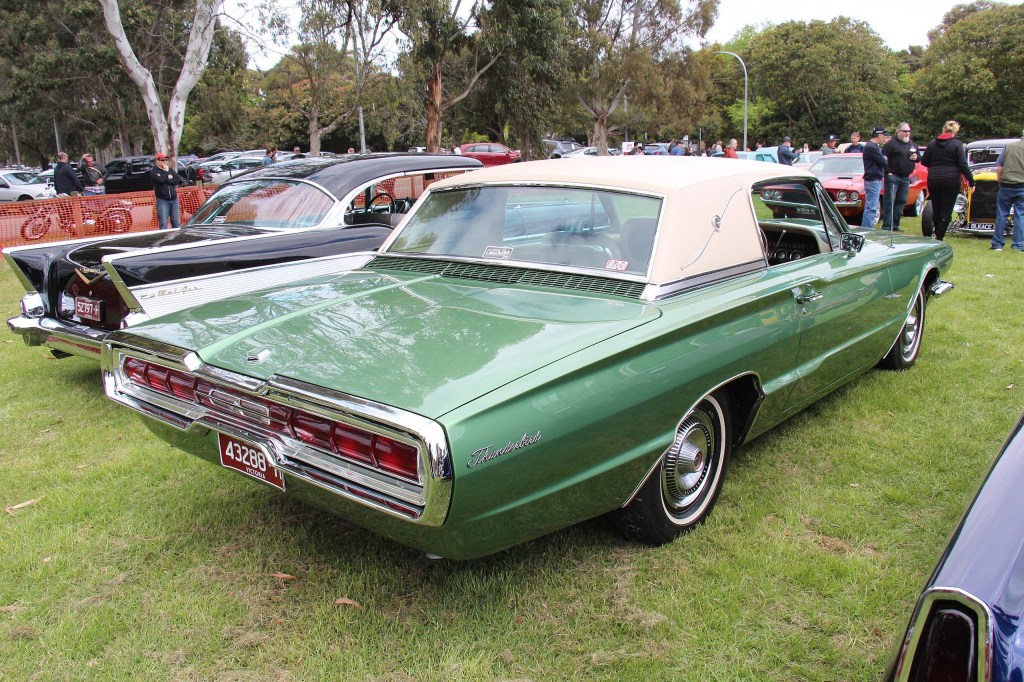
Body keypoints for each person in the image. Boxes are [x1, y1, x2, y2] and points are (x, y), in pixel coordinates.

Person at [922, 120, 974, 241]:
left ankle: (935, 229)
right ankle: (939, 236)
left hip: (934, 178)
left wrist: (936, 164)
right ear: (955, 132)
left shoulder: (932, 143)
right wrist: (971, 180)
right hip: (950, 179)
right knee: (946, 208)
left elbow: (924, 161)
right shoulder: (956, 144)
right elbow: (962, 163)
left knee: (936, 206)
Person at [881, 122, 919, 231]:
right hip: (894, 176)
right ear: (898, 132)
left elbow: (919, 158)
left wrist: (916, 157)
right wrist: (888, 172)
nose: (907, 133)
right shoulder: (891, 144)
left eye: (909, 131)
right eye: (905, 131)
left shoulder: (912, 144)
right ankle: (887, 225)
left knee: (901, 200)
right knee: (890, 200)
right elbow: (883, 158)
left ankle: (895, 225)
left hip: (905, 177)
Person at [991, 129, 1024, 252]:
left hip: (1006, 185)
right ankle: (1018, 245)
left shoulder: (1008, 147)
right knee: (1020, 216)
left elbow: (999, 168)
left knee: (1001, 214)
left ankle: (997, 244)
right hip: (1022, 186)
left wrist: (1000, 181)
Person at [861, 128, 888, 228]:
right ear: (879, 135)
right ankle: (866, 230)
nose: (884, 138)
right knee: (871, 208)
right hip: (873, 179)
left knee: (872, 207)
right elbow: (884, 162)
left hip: (874, 179)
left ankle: (867, 228)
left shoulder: (872, 146)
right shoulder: (871, 147)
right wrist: (885, 159)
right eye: (883, 136)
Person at [151, 152, 183, 230]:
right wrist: (166, 174)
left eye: (166, 160)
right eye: (162, 160)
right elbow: (160, 180)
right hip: (162, 200)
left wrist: (168, 178)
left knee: (176, 222)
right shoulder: (154, 171)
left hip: (173, 199)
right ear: (157, 161)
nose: (164, 162)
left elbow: (177, 180)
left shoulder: (170, 170)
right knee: (163, 223)